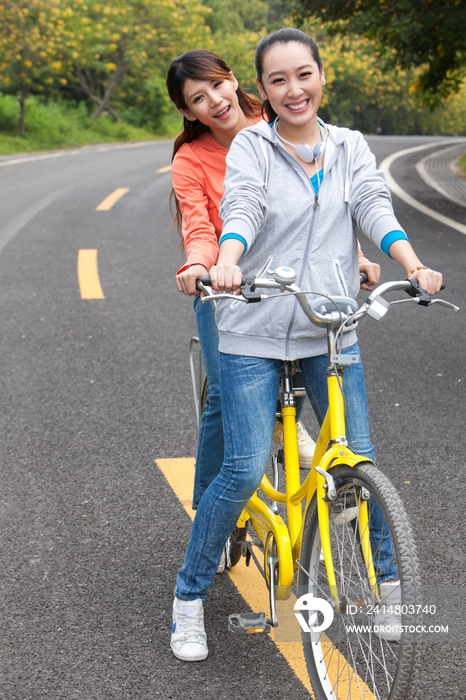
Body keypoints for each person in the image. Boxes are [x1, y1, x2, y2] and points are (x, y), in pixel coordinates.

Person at [169, 29, 443, 662]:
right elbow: (240, 209)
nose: (294, 89)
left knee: (359, 458)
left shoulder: (348, 145)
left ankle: (390, 593)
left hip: (329, 322)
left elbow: (373, 206)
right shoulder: (251, 150)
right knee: (240, 469)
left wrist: (409, 260)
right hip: (253, 322)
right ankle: (188, 597)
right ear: (262, 89)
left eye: (304, 75)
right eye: (279, 80)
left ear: (322, 77)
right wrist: (225, 261)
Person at [166, 49, 378, 513]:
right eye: (198, 98)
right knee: (224, 391)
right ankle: (211, 512)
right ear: (187, 112)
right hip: (230, 285)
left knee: (321, 372)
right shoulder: (191, 159)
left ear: (235, 80)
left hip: (301, 280)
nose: (216, 101)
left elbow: (329, 199)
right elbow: (199, 227)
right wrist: (199, 267)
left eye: (219, 85)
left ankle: (336, 480)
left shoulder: (282, 114)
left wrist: (356, 254)